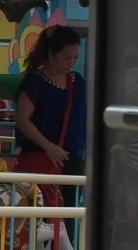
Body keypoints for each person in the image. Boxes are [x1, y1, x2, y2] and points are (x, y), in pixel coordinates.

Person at [14, 25, 87, 179]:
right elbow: (22, 119)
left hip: (74, 160)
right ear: (51, 53)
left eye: (75, 58)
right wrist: (48, 146)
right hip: (41, 157)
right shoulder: (34, 82)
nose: (71, 63)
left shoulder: (78, 81)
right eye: (66, 58)